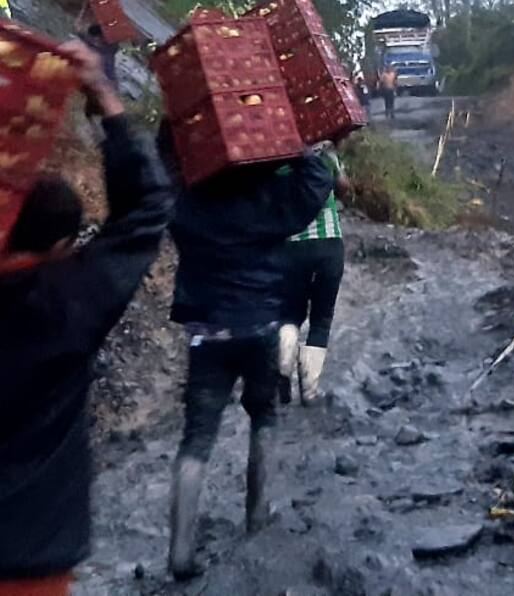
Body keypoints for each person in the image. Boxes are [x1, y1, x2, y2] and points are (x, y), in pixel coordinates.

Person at [0, 43, 172, 594]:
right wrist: (105, 96)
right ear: (60, 245)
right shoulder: (65, 305)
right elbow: (147, 210)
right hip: (33, 561)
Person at [163, 142, 333, 580]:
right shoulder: (269, 200)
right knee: (265, 417)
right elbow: (317, 183)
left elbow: (163, 177)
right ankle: (257, 516)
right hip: (260, 328)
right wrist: (294, 145)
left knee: (197, 438)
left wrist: (175, 134)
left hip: (207, 333)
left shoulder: (191, 205)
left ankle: (180, 551)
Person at [278, 145, 352, 406]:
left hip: (290, 248)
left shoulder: (270, 158)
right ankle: (309, 391)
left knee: (289, 314)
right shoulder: (324, 153)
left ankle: (283, 370)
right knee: (321, 318)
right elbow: (343, 187)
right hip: (329, 245)